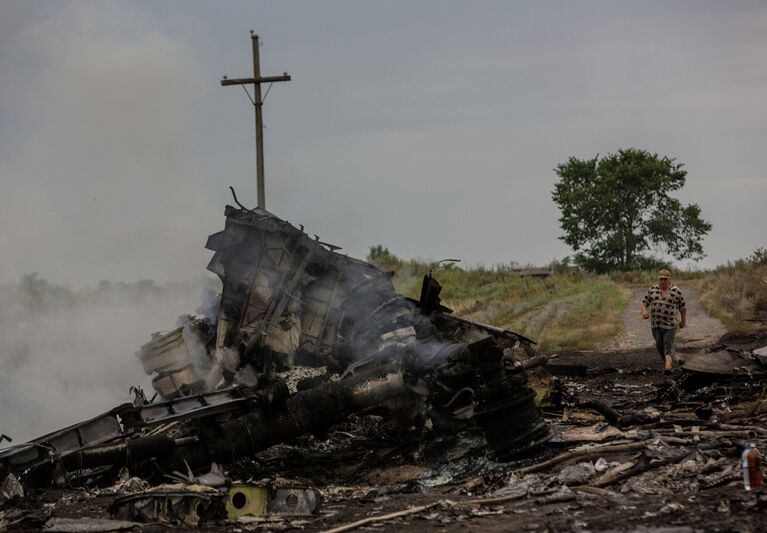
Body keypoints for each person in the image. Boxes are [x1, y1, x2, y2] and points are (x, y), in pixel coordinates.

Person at [641, 269, 687, 373]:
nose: (663, 281)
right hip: (656, 325)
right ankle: (670, 361)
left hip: (670, 325)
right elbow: (644, 302)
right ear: (658, 279)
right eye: (661, 279)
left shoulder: (676, 291)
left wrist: (683, 321)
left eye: (665, 279)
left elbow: (683, 307)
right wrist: (644, 311)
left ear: (669, 279)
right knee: (659, 346)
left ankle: (668, 368)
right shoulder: (652, 289)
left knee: (668, 345)